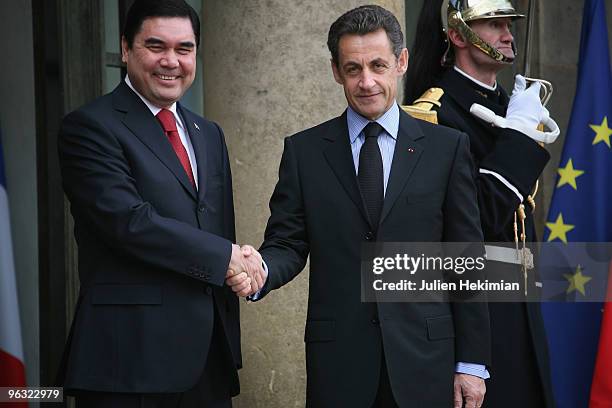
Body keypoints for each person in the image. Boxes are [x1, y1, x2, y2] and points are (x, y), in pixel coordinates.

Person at [232, 5, 491, 407]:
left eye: (378, 65)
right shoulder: (304, 152)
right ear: (336, 71)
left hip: (426, 361)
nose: (366, 81)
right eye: (353, 69)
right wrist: (261, 269)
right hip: (340, 363)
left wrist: (471, 364)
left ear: (401, 62)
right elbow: (286, 242)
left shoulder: (447, 148)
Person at [56, 1, 264, 407]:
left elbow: (216, 227)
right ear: (126, 49)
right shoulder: (90, 127)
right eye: (156, 46)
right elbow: (128, 222)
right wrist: (227, 257)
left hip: (208, 361)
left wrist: (235, 269)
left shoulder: (208, 133)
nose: (171, 61)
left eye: (184, 49)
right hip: (129, 361)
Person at [403, 1, 555, 407]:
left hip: (517, 294)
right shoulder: (431, 115)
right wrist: (521, 135)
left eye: (509, 24)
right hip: (473, 308)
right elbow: (482, 215)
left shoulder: (508, 104)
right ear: (457, 35)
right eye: (493, 24)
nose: (508, 35)